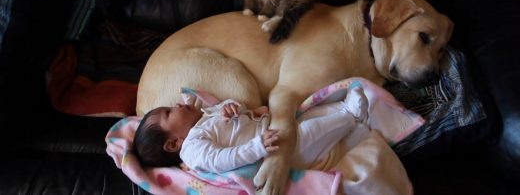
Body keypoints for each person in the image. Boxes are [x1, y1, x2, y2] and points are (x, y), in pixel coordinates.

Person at [133, 86, 369, 173]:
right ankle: (351, 115)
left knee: (309, 117)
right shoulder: (192, 149)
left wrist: (232, 107)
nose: (175, 105)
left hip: (272, 130)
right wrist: (256, 147)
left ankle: (343, 108)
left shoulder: (206, 116)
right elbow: (222, 159)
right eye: (167, 112)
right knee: (311, 132)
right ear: (173, 143)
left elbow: (238, 113)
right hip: (272, 153)